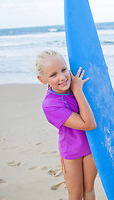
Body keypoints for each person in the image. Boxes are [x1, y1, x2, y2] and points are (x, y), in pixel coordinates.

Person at [36, 50, 97, 200]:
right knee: (76, 195)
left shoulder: (78, 83)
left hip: (91, 146)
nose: (62, 77)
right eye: (53, 75)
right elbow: (89, 124)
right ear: (42, 79)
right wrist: (77, 90)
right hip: (71, 152)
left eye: (64, 70)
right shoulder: (50, 105)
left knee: (88, 190)